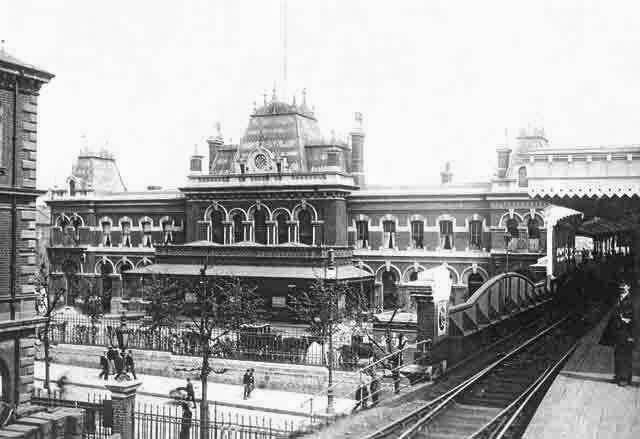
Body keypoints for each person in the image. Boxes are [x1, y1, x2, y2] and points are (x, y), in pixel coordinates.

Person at [613, 286, 634, 386]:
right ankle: (618, 376)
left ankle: (625, 378)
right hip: (618, 332)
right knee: (618, 354)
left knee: (626, 355)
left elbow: (634, 319)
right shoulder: (618, 299)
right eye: (620, 288)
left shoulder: (631, 301)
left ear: (628, 288)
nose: (621, 290)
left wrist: (632, 335)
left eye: (624, 288)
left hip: (627, 332)